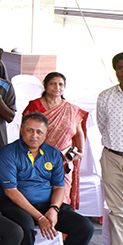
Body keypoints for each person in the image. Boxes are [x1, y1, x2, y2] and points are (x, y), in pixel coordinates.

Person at [0, 112, 94, 245]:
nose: (34, 135)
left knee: (84, 227)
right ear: (22, 130)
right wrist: (39, 217)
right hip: (14, 203)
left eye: (39, 132)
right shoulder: (8, 153)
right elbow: (11, 191)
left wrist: (54, 209)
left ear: (45, 134)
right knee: (25, 227)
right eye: (30, 130)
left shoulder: (52, 153)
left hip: (47, 204)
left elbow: (59, 187)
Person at [26, 72, 87, 210]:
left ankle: (61, 221)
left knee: (62, 197)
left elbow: (78, 133)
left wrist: (81, 152)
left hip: (63, 161)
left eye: (61, 84)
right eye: (53, 83)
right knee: (41, 196)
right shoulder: (35, 106)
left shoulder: (71, 109)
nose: (57, 87)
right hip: (39, 159)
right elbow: (25, 131)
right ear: (45, 85)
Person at [97, 53, 123, 245]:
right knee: (116, 209)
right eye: (121, 67)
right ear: (115, 71)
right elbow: (101, 125)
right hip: (113, 157)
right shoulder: (106, 97)